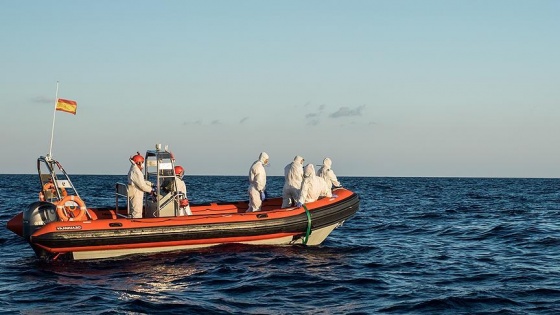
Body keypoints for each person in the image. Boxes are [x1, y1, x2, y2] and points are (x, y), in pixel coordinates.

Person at [127, 152, 153, 218]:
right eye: (142, 162)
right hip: (136, 193)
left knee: (134, 210)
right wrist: (151, 190)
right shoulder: (136, 171)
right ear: (138, 162)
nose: (143, 164)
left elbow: (141, 181)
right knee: (137, 212)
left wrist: (150, 184)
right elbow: (142, 186)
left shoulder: (134, 169)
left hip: (135, 192)